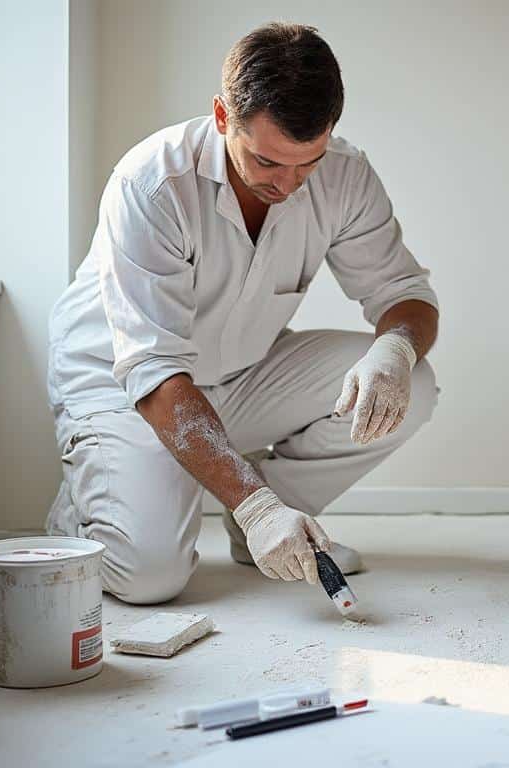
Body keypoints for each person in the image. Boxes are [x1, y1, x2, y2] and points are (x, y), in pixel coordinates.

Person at [45, 22, 439, 604]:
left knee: (415, 386)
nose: (288, 184)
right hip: (128, 390)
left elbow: (404, 291)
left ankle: (276, 526)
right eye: (268, 161)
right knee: (150, 576)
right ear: (222, 115)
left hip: (240, 375)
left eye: (307, 163)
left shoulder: (345, 174)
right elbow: (153, 369)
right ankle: (86, 511)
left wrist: (396, 350)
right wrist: (256, 504)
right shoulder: (151, 184)